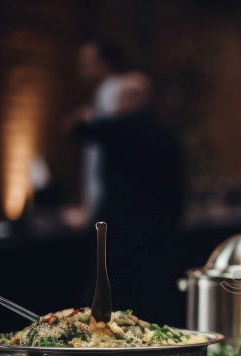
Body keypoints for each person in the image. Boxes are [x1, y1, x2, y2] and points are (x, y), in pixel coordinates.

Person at [69, 72, 185, 322]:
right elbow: (178, 192)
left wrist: (85, 115)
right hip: (158, 234)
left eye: (120, 97)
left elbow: (78, 128)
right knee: (152, 301)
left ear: (130, 98)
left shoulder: (117, 129)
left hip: (120, 231)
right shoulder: (166, 135)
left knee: (112, 300)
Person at [64, 38, 127, 228]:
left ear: (104, 64)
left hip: (108, 202)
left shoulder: (112, 93)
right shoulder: (102, 94)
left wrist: (94, 206)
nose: (81, 70)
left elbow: (106, 153)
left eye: (86, 64)